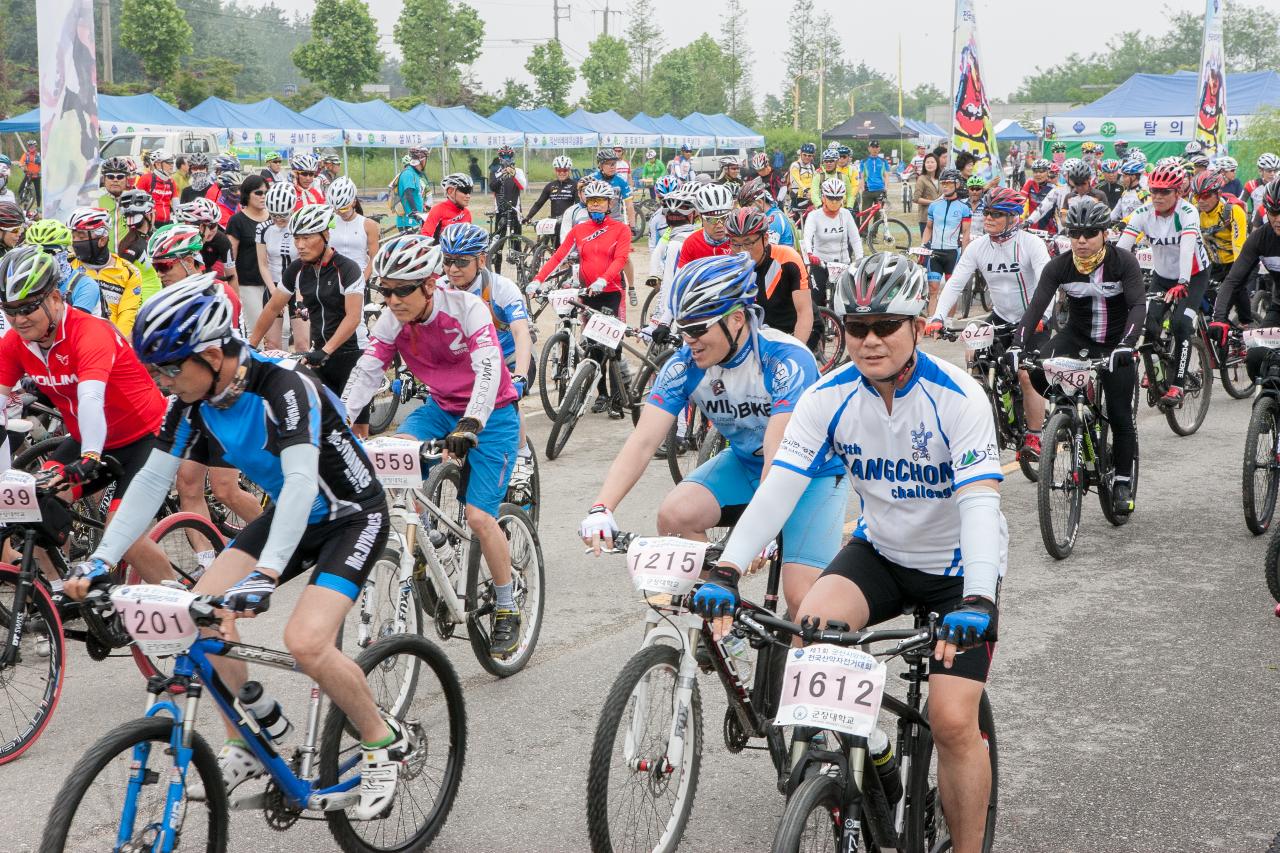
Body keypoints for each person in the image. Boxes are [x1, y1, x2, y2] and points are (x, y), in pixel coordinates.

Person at [698, 253, 1004, 853]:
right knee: (811, 635)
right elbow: (779, 487)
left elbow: (979, 506)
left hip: (957, 572)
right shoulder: (828, 396)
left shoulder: (959, 399)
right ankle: (877, 752)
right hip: (880, 553)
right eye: (855, 327)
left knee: (950, 722)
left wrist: (980, 598)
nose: (869, 341)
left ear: (916, 324)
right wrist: (728, 567)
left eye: (885, 325)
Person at [69, 276, 406, 818]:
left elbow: (300, 482)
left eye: (170, 368)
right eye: (157, 370)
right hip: (291, 517)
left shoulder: (283, 387)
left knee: (307, 642)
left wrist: (268, 574)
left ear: (209, 352)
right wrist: (101, 560)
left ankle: (381, 741)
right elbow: (152, 481)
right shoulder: (194, 401)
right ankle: (248, 738)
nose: (162, 381)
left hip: (349, 514)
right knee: (198, 615)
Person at [582, 252, 849, 616]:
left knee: (805, 604)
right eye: (682, 329)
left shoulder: (784, 358)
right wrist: (602, 507)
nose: (688, 340)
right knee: (676, 516)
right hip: (744, 465)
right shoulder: (685, 365)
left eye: (697, 329)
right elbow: (643, 441)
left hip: (809, 476)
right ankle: (724, 619)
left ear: (737, 319)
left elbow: (779, 450)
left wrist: (763, 529)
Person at [343, 235, 524, 658]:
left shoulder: (467, 308)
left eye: (402, 290)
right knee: (395, 455)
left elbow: (487, 369)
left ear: (429, 284)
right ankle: (426, 541)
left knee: (480, 517)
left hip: (491, 412)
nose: (392, 299)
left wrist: (473, 421)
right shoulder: (391, 318)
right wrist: (337, 422)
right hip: (440, 408)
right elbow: (368, 371)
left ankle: (506, 603)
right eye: (384, 290)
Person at [0, 245, 174, 589]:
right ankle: (57, 592)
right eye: (10, 310)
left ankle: (185, 609)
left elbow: (91, 397)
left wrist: (90, 457)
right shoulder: (15, 343)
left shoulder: (89, 331)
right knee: (29, 506)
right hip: (88, 438)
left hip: (146, 437)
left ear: (53, 297)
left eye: (28, 307)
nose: (19, 319)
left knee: (121, 534)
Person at [1010, 197, 1144, 514]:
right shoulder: (1060, 266)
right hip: (1077, 337)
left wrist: (1127, 344)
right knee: (1038, 370)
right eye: (1075, 234)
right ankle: (1069, 416)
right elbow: (1035, 309)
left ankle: (1123, 480)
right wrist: (1018, 344)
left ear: (1105, 234)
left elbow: (1138, 306)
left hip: (1115, 343)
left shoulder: (1123, 262)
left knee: (1122, 415)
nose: (1081, 241)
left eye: (1089, 234)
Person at [926, 187, 1052, 459]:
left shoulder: (1031, 244)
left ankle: (1034, 435)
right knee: (973, 357)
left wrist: (1042, 316)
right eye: (987, 213)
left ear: (1013, 217)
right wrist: (938, 317)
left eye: (997, 214)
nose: (989, 219)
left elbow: (1046, 283)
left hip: (1033, 319)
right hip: (1002, 316)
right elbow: (956, 282)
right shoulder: (978, 247)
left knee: (1026, 375)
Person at [437, 222, 536, 500]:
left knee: (507, 394)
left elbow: (520, 332)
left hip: (506, 356)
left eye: (461, 262)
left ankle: (521, 454)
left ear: (481, 260)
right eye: (447, 261)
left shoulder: (502, 288)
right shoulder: (440, 289)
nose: (453, 269)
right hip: (465, 364)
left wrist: (521, 375)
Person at [251, 205, 368, 426]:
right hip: (320, 356)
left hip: (353, 354)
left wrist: (326, 351)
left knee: (356, 430)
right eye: (296, 239)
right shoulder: (297, 269)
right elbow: (272, 308)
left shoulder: (348, 268)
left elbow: (353, 317)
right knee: (322, 427)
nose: (300, 246)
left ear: (325, 235)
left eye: (306, 238)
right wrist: (250, 344)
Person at [527, 179, 632, 417]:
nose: (595, 206)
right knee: (594, 347)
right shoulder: (579, 230)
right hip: (588, 294)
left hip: (612, 293)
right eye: (591, 201)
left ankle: (617, 400)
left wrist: (604, 279)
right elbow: (558, 258)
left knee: (612, 348)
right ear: (585, 202)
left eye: (600, 202)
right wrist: (537, 279)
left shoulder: (620, 229)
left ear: (609, 204)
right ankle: (602, 394)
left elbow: (620, 259)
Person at [1116, 162, 1209, 409]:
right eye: (1154, 190)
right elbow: (1122, 249)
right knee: (1149, 324)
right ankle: (1155, 367)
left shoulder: (1188, 212)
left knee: (1181, 324)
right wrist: (1108, 277)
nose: (1157, 196)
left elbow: (1188, 247)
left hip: (1194, 274)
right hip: (1162, 275)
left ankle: (1178, 384)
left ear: (1177, 192)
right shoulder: (1143, 213)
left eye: (1164, 191)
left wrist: (1183, 281)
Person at [1211, 178, 1280, 365]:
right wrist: (1219, 318)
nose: (1278, 219)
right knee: (1255, 359)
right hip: (1278, 308)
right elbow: (1233, 280)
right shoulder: (1261, 237)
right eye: (1274, 212)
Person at [728, 206, 812, 343]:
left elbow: (804, 312)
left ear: (765, 238)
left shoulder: (788, 258)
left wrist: (796, 350)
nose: (742, 251)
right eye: (735, 244)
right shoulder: (731, 264)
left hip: (793, 331)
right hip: (761, 334)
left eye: (748, 243)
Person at [67, 206, 144, 337]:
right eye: (73, 237)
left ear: (102, 240)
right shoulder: (68, 266)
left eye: (81, 237)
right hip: (74, 337)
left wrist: (118, 345)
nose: (75, 243)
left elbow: (127, 314)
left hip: (110, 340)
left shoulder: (129, 272)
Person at [1191, 170, 1250, 324]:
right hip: (1214, 263)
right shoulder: (1195, 212)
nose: (1201, 201)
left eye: (1206, 196)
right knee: (1202, 299)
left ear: (1218, 193)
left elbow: (1239, 245)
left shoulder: (1232, 211)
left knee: (1234, 292)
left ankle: (1246, 324)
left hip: (1237, 261)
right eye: (1197, 196)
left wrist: (1235, 275)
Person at [802, 177, 864, 309]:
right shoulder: (814, 215)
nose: (834, 201)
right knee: (816, 299)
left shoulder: (846, 214)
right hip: (820, 263)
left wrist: (859, 259)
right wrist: (809, 254)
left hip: (842, 263)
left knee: (845, 301)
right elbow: (807, 237)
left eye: (838, 198)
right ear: (823, 197)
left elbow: (855, 239)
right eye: (831, 198)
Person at [255, 181, 301, 351]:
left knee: (302, 344)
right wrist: (275, 292)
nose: (278, 220)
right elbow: (263, 264)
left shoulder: (300, 227)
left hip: (298, 287)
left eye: (283, 215)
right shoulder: (263, 229)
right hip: (274, 285)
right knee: (273, 345)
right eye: (274, 215)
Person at [920, 169, 971, 314]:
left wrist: (965, 254)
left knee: (950, 291)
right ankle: (931, 322)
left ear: (957, 184)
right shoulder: (935, 205)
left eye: (948, 183)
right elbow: (928, 228)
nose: (945, 186)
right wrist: (923, 245)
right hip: (935, 252)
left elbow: (966, 233)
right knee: (933, 290)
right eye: (943, 183)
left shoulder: (964, 208)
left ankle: (947, 322)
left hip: (952, 254)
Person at [226, 175, 271, 335]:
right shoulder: (237, 221)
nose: (263, 196)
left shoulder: (274, 218)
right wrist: (235, 289)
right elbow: (231, 258)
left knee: (282, 330)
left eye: (266, 192)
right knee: (256, 330)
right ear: (247, 194)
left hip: (275, 283)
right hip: (248, 284)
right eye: (258, 193)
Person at [327, 176, 379, 280]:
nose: (341, 212)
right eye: (337, 210)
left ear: (354, 202)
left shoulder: (368, 224)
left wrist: (363, 280)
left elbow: (374, 257)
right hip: (334, 277)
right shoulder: (330, 222)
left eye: (344, 208)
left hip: (359, 275)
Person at [677, 182, 735, 268]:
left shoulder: (738, 239)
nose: (719, 225)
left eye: (724, 218)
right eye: (712, 219)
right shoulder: (691, 243)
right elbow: (681, 277)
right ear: (701, 218)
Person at [525, 156, 577, 240]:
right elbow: (539, 203)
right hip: (553, 223)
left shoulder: (575, 185)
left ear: (569, 170)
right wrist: (528, 217)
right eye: (559, 170)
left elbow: (578, 206)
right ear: (555, 171)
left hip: (567, 223)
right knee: (554, 250)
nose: (562, 173)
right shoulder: (550, 186)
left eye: (565, 170)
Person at [740, 177, 794, 248]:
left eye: (749, 205)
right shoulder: (768, 215)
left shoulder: (774, 218)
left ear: (760, 202)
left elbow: (767, 250)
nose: (746, 210)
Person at [419, 172, 474, 242]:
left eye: (469, 191)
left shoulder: (466, 213)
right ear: (450, 191)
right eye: (465, 191)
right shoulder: (438, 210)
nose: (468, 196)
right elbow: (425, 237)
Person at [97, 156, 133, 252]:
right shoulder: (95, 200)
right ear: (104, 179)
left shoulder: (133, 198)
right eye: (110, 176)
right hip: (103, 258)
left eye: (120, 176)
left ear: (126, 179)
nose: (115, 180)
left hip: (128, 257)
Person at [134, 149, 177, 226]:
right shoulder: (146, 179)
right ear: (158, 164)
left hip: (167, 224)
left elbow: (176, 205)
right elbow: (136, 203)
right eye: (168, 162)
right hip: (150, 224)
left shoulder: (171, 182)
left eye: (172, 162)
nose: (172, 165)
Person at [489, 145, 527, 232]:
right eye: (504, 156)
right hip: (500, 209)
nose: (506, 159)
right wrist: (502, 175)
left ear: (512, 157)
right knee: (499, 240)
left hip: (515, 209)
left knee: (516, 241)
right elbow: (492, 187)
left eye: (509, 156)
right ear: (500, 158)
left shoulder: (518, 171)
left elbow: (523, 186)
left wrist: (514, 174)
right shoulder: (495, 172)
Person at [395, 150, 429, 233]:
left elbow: (415, 194)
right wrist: (415, 212)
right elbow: (408, 193)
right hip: (408, 221)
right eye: (425, 160)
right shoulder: (408, 173)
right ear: (422, 160)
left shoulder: (414, 173)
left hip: (413, 220)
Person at [1021, 159, 1057, 232]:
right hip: (1031, 226)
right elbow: (1021, 201)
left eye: (1041, 171)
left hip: (1049, 229)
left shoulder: (1053, 187)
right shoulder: (1030, 183)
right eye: (1035, 171)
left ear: (1048, 172)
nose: (1038, 174)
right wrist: (1019, 219)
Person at [1111, 158, 1150, 222]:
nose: (1122, 179)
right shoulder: (1124, 193)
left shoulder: (1143, 194)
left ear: (1133, 177)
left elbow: (1148, 215)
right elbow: (1114, 214)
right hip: (1125, 230)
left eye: (1124, 176)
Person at [1246, 154, 1279, 225]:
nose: (1273, 174)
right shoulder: (1251, 185)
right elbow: (1240, 202)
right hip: (1256, 224)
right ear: (1261, 171)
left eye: (1275, 170)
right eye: (1269, 171)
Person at [914, 152, 942, 237]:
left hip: (940, 217)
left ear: (937, 164)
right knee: (927, 245)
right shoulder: (921, 179)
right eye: (927, 162)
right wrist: (933, 202)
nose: (930, 164)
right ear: (924, 164)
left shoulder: (941, 178)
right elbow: (916, 198)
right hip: (926, 218)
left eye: (932, 162)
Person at [789, 142, 818, 213]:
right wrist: (806, 191)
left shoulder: (812, 166)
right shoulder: (795, 165)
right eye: (804, 155)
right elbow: (797, 180)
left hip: (810, 197)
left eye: (809, 156)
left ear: (812, 156)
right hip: (797, 197)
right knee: (799, 220)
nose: (807, 157)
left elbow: (814, 181)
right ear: (801, 154)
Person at [861, 139, 889, 208]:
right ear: (869, 149)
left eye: (876, 147)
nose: (875, 149)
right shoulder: (864, 161)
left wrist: (885, 188)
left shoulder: (883, 161)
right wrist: (862, 188)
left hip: (880, 190)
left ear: (879, 149)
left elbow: (886, 176)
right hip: (868, 190)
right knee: (865, 214)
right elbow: (861, 176)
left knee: (879, 215)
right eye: (873, 147)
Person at [18, 140, 41, 209]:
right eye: (30, 146)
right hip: (28, 175)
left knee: (38, 192)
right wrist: (22, 167)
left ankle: (38, 207)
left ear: (35, 147)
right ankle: (24, 202)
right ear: (28, 147)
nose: (31, 147)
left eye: (33, 146)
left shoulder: (39, 155)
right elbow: (21, 162)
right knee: (21, 188)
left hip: (36, 176)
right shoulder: (26, 155)